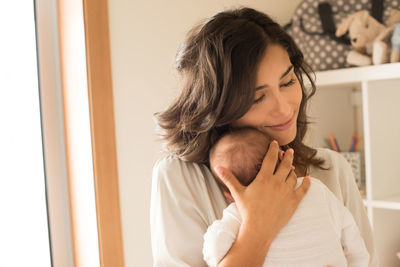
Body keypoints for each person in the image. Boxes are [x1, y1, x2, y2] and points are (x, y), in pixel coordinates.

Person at [150, 7, 377, 266]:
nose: (283, 108)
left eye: (288, 82)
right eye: (258, 97)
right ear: (219, 109)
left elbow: (366, 259)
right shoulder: (180, 178)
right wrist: (259, 228)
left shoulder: (332, 169)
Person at [203, 127, 370, 266]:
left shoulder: (237, 215)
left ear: (231, 194)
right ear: (283, 157)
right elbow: (351, 234)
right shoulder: (316, 189)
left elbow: (215, 250)